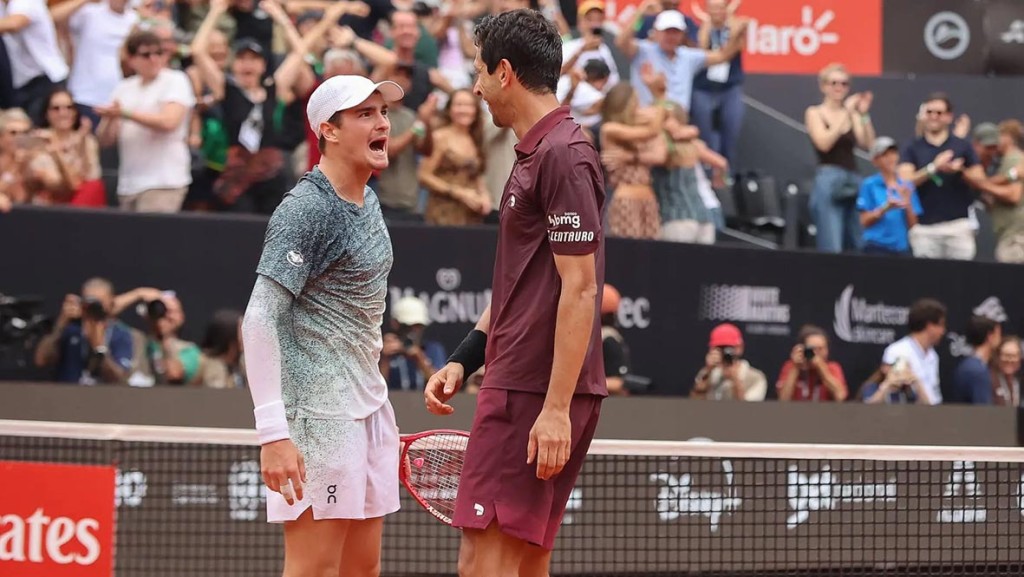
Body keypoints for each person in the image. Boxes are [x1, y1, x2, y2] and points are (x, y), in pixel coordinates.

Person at [423, 10, 606, 577]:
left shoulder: (561, 155)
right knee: (522, 564)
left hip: (533, 390)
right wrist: (465, 358)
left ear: (504, 72)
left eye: (479, 72)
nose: (475, 88)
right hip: (524, 381)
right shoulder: (540, 151)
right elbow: (522, 286)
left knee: (484, 564)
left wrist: (555, 409)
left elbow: (581, 289)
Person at [239, 74, 405, 576]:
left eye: (383, 112)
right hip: (318, 420)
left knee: (362, 570)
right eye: (364, 114)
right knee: (315, 570)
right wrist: (273, 434)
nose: (382, 123)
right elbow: (260, 316)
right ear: (328, 131)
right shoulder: (306, 209)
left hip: (368, 409)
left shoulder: (368, 199)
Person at [804, 63, 874, 253]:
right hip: (829, 177)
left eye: (844, 84)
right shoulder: (815, 112)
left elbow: (868, 143)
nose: (839, 88)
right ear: (823, 86)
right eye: (833, 83)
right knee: (831, 242)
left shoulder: (852, 114)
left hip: (853, 177)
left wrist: (864, 115)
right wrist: (846, 114)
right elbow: (824, 143)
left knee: (857, 242)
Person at [856, 137, 922, 256]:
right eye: (884, 155)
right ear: (875, 161)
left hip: (901, 248)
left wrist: (908, 203)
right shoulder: (869, 185)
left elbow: (913, 224)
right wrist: (885, 208)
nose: (890, 158)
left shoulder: (906, 186)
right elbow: (864, 221)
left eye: (893, 153)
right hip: (876, 246)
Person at [881, 298, 947, 405]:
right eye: (940, 325)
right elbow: (893, 393)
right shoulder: (898, 351)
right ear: (929, 326)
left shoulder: (933, 356)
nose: (943, 331)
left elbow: (934, 397)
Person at [776, 325, 848, 402]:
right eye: (813, 349)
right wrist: (795, 368)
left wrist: (821, 368)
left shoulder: (833, 368)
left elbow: (841, 396)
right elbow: (783, 400)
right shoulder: (790, 366)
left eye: (821, 349)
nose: (816, 353)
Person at [950, 315, 1001, 405]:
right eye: (998, 335)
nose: (1000, 339)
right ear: (990, 336)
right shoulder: (977, 370)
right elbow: (982, 408)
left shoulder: (970, 365)